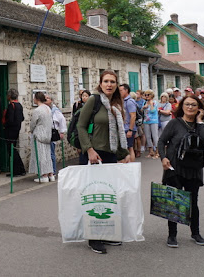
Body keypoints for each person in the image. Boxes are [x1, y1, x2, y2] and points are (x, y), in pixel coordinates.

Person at [77, 70, 130, 254]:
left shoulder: (117, 103)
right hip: (93, 154)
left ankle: (107, 233)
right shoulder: (94, 100)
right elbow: (81, 126)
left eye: (112, 81)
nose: (109, 84)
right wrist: (89, 149)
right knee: (94, 197)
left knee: (109, 195)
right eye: (106, 81)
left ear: (116, 84)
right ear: (100, 83)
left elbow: (118, 132)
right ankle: (94, 237)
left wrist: (125, 153)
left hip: (110, 155)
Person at [157, 94, 204, 247]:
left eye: (194, 105)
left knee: (193, 202)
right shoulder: (174, 123)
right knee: (174, 201)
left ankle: (195, 233)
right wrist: (163, 158)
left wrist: (200, 121)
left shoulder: (200, 125)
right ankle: (172, 235)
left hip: (194, 169)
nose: (190, 107)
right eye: (187, 104)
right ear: (182, 107)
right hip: (175, 167)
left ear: (198, 108)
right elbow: (162, 141)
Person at [29, 91, 54, 183]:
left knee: (40, 155)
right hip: (47, 134)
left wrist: (31, 130)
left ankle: (44, 175)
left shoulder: (37, 110)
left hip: (39, 134)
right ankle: (50, 174)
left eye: (34, 98)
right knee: (47, 154)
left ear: (37, 99)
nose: (33, 99)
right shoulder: (48, 108)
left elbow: (33, 123)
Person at [4, 88, 26, 177]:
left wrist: (5, 124)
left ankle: (17, 170)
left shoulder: (11, 106)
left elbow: (10, 120)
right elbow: (22, 118)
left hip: (10, 131)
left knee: (12, 151)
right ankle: (21, 169)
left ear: (9, 96)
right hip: (17, 130)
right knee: (14, 150)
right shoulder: (19, 105)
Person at [45, 94, 67, 179]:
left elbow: (62, 120)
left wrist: (62, 132)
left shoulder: (55, 110)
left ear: (51, 100)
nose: (46, 99)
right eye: (45, 98)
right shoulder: (45, 109)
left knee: (51, 153)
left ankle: (53, 171)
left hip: (52, 132)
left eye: (48, 98)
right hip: (46, 133)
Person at [119, 83, 137, 161]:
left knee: (130, 148)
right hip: (124, 128)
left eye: (121, 90)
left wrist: (130, 130)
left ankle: (131, 165)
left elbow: (133, 116)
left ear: (126, 90)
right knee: (126, 148)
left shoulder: (130, 101)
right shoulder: (123, 101)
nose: (120, 92)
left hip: (128, 128)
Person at [142, 90, 160, 158]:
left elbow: (153, 111)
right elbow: (141, 110)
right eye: (145, 95)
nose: (146, 96)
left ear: (152, 95)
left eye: (148, 95)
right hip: (146, 121)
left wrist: (151, 104)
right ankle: (151, 151)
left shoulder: (155, 102)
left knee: (155, 136)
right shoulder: (144, 102)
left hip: (154, 121)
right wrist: (144, 106)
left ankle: (157, 152)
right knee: (148, 136)